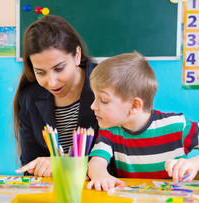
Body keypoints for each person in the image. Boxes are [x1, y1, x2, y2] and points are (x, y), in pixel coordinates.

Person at [86, 52, 199, 191]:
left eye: (103, 100)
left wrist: (194, 163)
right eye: (95, 97)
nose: (93, 106)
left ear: (134, 106)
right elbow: (96, 162)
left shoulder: (177, 125)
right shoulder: (110, 130)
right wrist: (101, 175)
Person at [14, 15, 98, 177]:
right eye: (40, 72)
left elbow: (118, 158)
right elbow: (31, 164)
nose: (52, 83)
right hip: (53, 192)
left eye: (59, 68)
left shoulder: (107, 86)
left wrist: (62, 164)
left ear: (77, 55)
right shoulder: (29, 98)